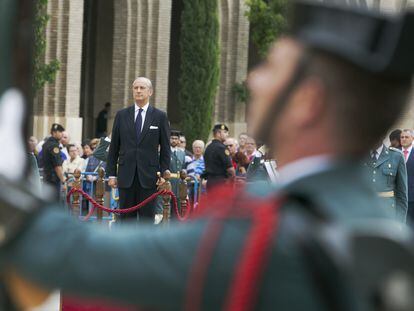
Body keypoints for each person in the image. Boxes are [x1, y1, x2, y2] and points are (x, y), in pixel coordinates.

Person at [1, 2, 414, 310]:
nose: (254, 78)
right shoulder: (376, 224)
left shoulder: (265, 233)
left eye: (272, 67)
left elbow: (63, 256)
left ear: (307, 101)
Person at [106, 77, 170, 222]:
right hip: (125, 175)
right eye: (136, 88)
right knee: (125, 219)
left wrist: (164, 173)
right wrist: (111, 174)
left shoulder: (160, 116)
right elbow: (114, 146)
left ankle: (145, 245)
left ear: (150, 92)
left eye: (142, 88)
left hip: (149, 177)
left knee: (147, 219)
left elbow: (166, 148)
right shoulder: (122, 115)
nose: (138, 91)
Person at [365, 142, 408, 222]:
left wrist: (400, 223)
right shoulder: (358, 156)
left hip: (388, 214)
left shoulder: (396, 156)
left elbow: (401, 194)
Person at [203, 124, 236, 191]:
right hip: (221, 184)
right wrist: (232, 182)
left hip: (210, 182)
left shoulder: (208, 147)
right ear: (218, 133)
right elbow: (231, 170)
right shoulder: (221, 148)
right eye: (225, 132)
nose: (227, 134)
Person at [42, 123, 66, 196]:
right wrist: (63, 181)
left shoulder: (46, 144)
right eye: (60, 132)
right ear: (54, 132)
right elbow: (57, 166)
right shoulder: (54, 145)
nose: (62, 134)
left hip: (46, 178)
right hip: (53, 180)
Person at [169, 129, 186, 212]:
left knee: (178, 207)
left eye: (176, 138)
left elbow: (183, 167)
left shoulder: (182, 153)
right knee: (167, 205)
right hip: (168, 182)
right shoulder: (165, 152)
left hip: (179, 183)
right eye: (172, 138)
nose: (174, 140)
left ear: (179, 140)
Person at [401, 129, 414, 224]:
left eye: (406, 137)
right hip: (397, 198)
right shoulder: (392, 154)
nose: (404, 139)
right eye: (402, 137)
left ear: (412, 138)